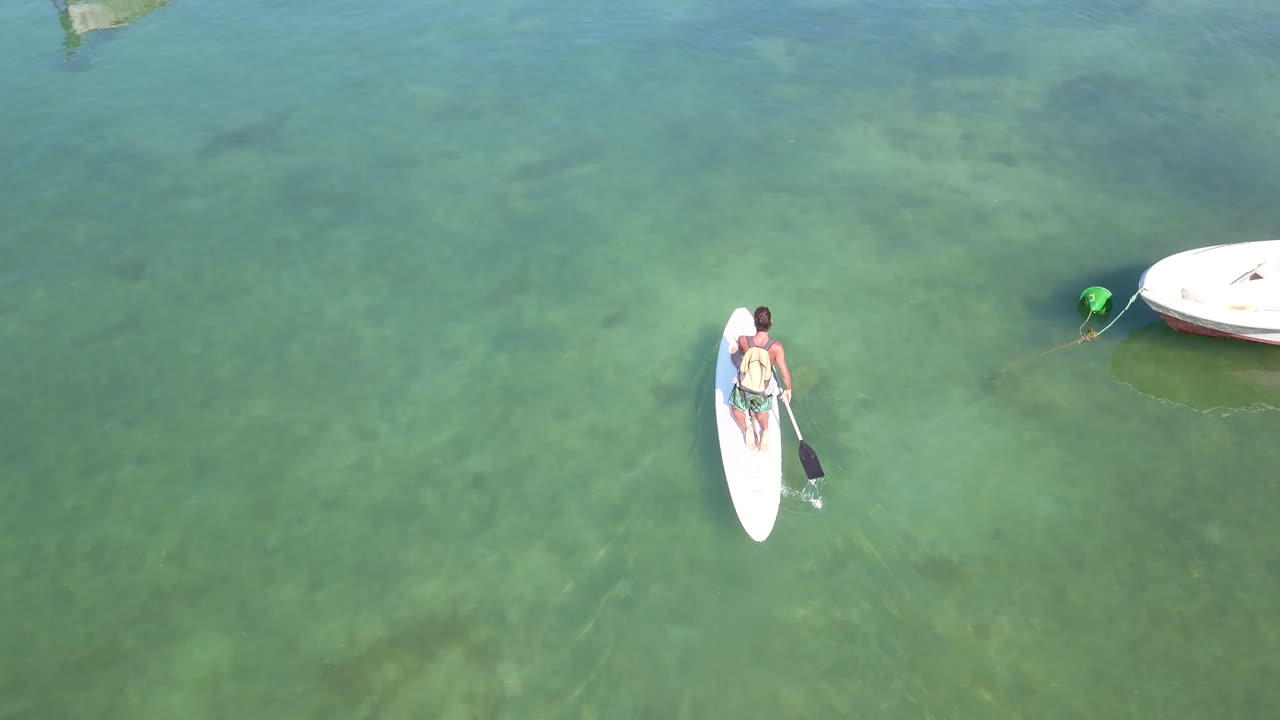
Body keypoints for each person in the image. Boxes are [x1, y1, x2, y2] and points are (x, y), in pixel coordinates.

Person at [728, 306, 793, 451]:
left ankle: (747, 430)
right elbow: (784, 373)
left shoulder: (743, 340)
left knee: (736, 409)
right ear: (771, 322)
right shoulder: (776, 347)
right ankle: (765, 431)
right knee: (763, 412)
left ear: (754, 323)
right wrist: (788, 389)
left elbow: (740, 354)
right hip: (762, 389)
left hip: (744, 386)